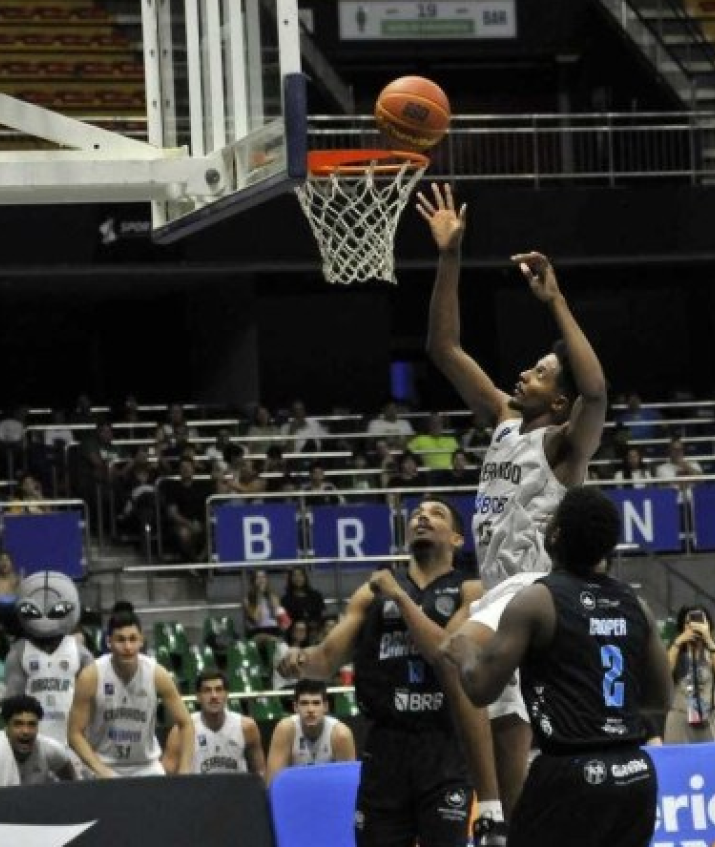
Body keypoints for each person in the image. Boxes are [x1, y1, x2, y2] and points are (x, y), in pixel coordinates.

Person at [419, 181, 608, 832]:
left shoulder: (564, 444)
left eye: (539, 372)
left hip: (539, 589)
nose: (525, 374)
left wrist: (555, 301)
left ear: (558, 401)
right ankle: (508, 820)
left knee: (452, 650)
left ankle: (494, 810)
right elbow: (444, 349)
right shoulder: (503, 418)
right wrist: (450, 257)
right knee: (510, 731)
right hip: (505, 591)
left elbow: (596, 388)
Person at [443, 486, 672, 847]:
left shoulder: (537, 599)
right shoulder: (636, 604)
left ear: (555, 535)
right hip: (634, 773)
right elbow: (661, 697)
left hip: (569, 771)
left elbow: (480, 688)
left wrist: (464, 650)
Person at [277, 497, 485, 846]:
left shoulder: (470, 590)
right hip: (385, 747)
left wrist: (400, 597)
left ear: (457, 539)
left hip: (444, 747)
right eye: (418, 513)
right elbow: (327, 659)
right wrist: (298, 661)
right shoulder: (370, 593)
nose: (422, 517)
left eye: (436, 514)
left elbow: (444, 653)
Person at [68, 604, 194, 778]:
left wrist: (185, 768)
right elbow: (74, 733)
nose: (127, 646)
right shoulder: (91, 675)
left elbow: (186, 723)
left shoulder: (157, 673)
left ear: (141, 640)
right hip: (104, 764)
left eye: (133, 639)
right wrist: (101, 770)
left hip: (147, 766)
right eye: (120, 640)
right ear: (109, 642)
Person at [3, 570, 95, 750]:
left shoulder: (78, 651)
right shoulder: (19, 652)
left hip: (74, 735)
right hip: (33, 735)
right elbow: (12, 699)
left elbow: (93, 696)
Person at [165, 669, 265, 776]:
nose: (214, 696)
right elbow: (167, 774)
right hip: (197, 790)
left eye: (219, 690)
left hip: (235, 790)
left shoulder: (246, 727)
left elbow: (260, 771)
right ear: (198, 697)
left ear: (226, 694)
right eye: (207, 690)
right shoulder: (181, 730)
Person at [0, 694, 76, 788]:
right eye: (18, 724)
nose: (25, 731)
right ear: (7, 725)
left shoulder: (52, 749)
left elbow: (74, 788)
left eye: (31, 724)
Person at [265, 678, 355, 786]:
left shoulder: (341, 735)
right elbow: (273, 784)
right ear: (295, 707)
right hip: (295, 791)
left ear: (326, 707)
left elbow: (349, 785)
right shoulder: (286, 729)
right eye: (304, 703)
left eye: (316, 703)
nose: (310, 709)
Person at [663, 606, 715, 743]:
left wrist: (708, 640)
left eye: (700, 622)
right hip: (680, 716)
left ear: (708, 625)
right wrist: (678, 643)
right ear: (682, 626)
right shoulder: (674, 651)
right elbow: (664, 674)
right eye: (689, 623)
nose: (695, 626)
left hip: (711, 716)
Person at [280, 566, 325, 638]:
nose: (298, 578)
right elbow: (285, 621)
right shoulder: (285, 599)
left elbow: (321, 614)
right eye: (294, 576)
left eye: (300, 575)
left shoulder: (316, 595)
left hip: (314, 630)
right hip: (294, 632)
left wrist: (315, 626)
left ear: (305, 577)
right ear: (290, 579)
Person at [243, 569, 285, 646]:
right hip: (257, 632)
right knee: (263, 637)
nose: (261, 580)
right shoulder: (248, 599)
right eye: (258, 577)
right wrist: (259, 596)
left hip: (273, 630)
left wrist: (274, 602)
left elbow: (283, 621)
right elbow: (256, 619)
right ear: (253, 581)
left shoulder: (274, 596)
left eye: (263, 577)